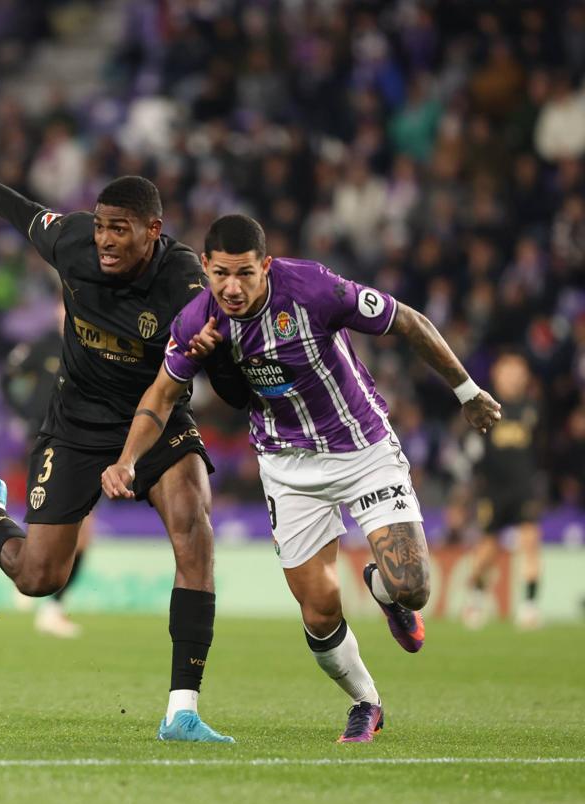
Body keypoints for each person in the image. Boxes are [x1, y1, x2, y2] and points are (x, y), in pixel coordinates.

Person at [0, 125, 251, 742]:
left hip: (159, 418)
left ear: (153, 230)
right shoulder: (71, 243)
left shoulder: (186, 285)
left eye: (121, 228)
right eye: (101, 225)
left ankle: (182, 710)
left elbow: (229, 388)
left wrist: (214, 354)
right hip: (75, 425)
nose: (106, 239)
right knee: (40, 579)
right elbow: (18, 209)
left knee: (194, 531)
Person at [102, 214, 502, 743]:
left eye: (245, 273)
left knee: (413, 587)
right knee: (318, 611)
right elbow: (161, 394)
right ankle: (367, 703)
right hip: (287, 468)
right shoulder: (198, 323)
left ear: (266, 266)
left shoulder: (314, 288)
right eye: (221, 273)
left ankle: (384, 592)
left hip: (362, 448)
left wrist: (467, 392)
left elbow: (408, 321)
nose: (232, 287)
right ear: (206, 267)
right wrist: (128, 460)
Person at [1, 319, 88, 639]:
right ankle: (32, 580)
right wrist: (27, 414)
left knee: (81, 531)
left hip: (85, 440)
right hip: (48, 439)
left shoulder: (94, 341)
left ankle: (50, 603)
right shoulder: (44, 343)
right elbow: (6, 375)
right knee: (49, 513)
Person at [462, 352, 543, 630]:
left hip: (523, 489)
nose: (513, 377)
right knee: (487, 550)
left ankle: (529, 607)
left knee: (530, 542)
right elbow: (473, 450)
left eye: (518, 372)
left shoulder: (533, 409)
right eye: (508, 371)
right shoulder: (486, 407)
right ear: (497, 374)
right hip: (494, 491)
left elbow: (543, 451)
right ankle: (475, 598)